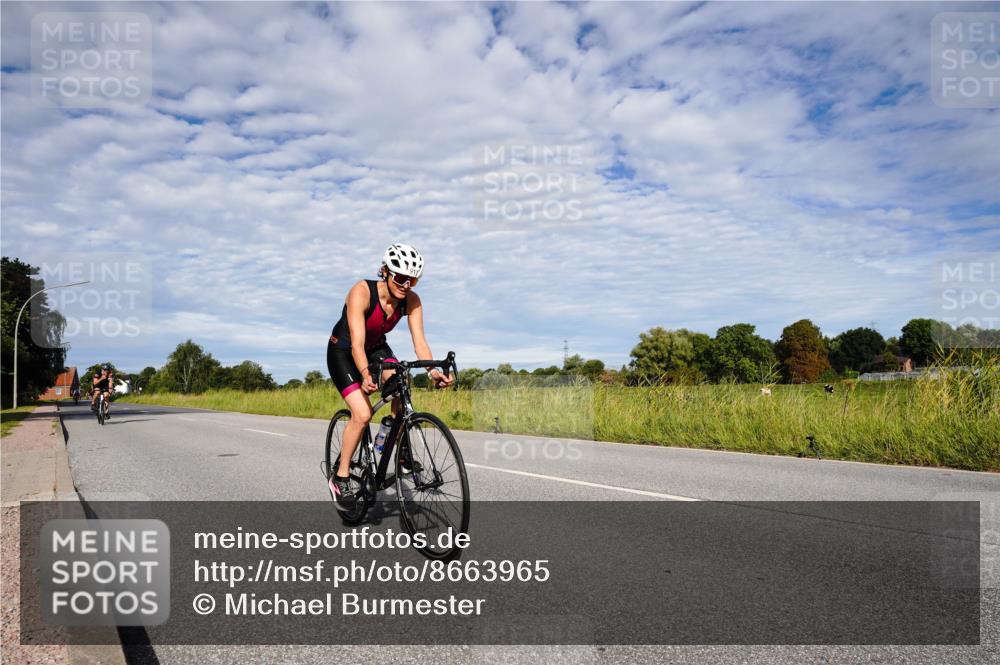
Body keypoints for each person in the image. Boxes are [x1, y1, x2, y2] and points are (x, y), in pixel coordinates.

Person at [326, 244, 453, 511]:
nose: (406, 285)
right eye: (401, 277)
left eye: (413, 280)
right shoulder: (362, 291)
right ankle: (341, 476)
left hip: (376, 348)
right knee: (362, 414)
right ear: (385, 271)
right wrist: (364, 374)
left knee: (402, 380)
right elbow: (357, 344)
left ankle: (396, 444)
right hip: (344, 350)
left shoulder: (412, 300)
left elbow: (420, 342)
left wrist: (433, 372)